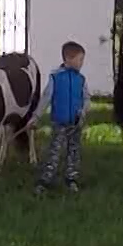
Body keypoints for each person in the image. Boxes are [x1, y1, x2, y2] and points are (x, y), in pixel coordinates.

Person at [36, 41, 88, 194]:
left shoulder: (81, 79)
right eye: (80, 60)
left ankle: (71, 178)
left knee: (74, 151)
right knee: (54, 151)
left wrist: (83, 111)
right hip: (59, 123)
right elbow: (46, 98)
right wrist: (36, 116)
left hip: (76, 123)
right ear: (68, 59)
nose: (81, 63)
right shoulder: (56, 77)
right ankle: (45, 179)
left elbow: (86, 98)